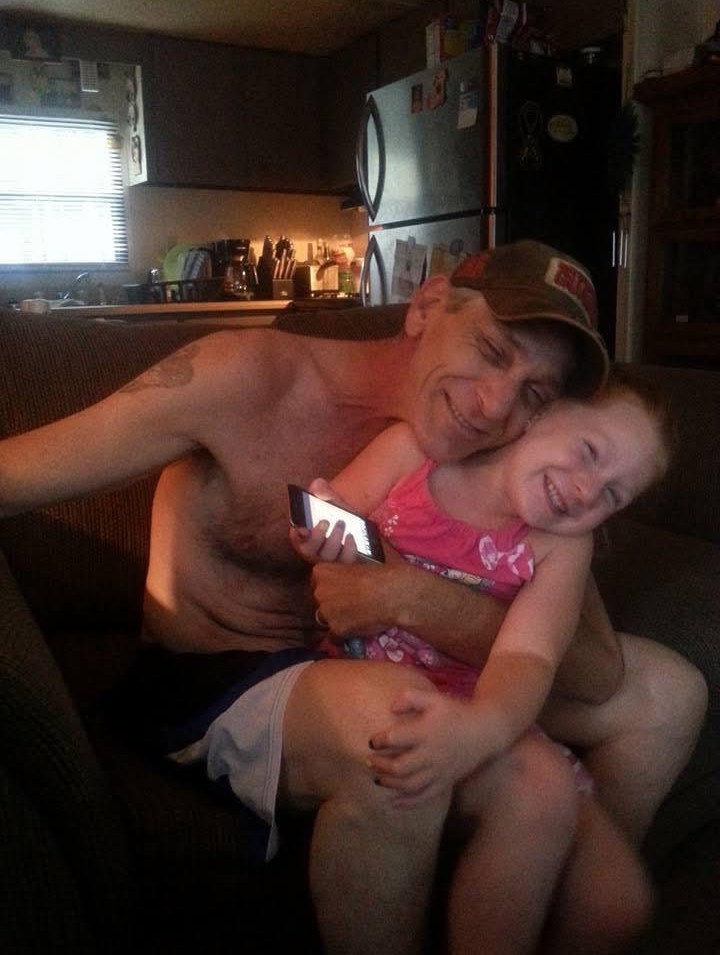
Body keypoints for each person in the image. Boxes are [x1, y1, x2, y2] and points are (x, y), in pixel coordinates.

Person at [0, 240, 706, 955]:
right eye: (492, 350)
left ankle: (549, 905)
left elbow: (592, 671)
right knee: (391, 716)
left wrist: (414, 599)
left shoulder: (517, 460)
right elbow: (12, 476)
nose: (496, 405)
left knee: (671, 695)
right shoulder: (243, 377)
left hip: (399, 656)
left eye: (535, 393)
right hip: (225, 673)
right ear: (427, 306)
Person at [289, 371, 672, 825]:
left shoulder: (564, 545)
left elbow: (529, 658)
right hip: (364, 686)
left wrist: (483, 727)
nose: (586, 491)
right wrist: (319, 535)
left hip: (476, 706)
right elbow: (331, 516)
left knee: (589, 856)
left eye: (612, 495)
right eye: (588, 452)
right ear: (542, 410)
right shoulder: (413, 453)